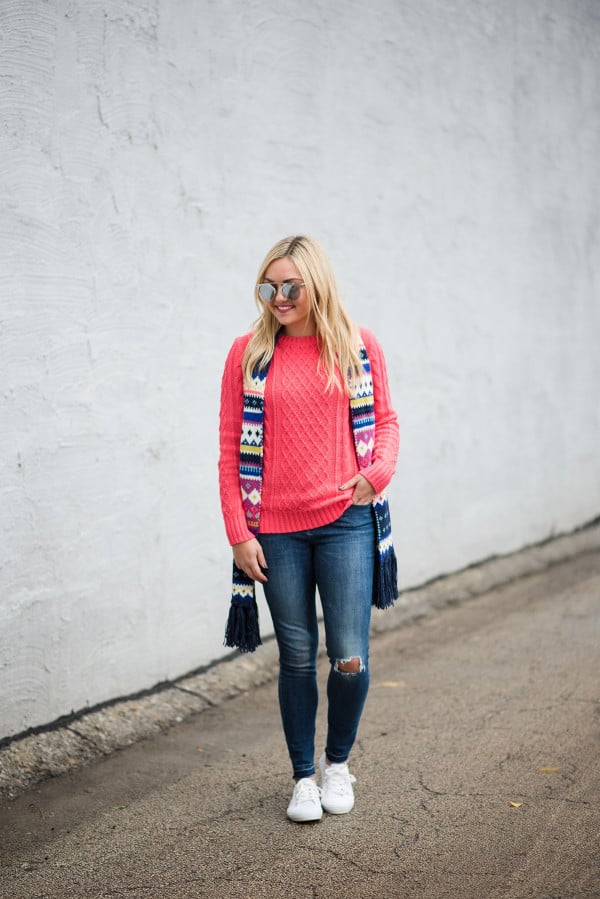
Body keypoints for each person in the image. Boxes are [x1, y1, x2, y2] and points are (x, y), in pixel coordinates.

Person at [218, 235, 399, 823]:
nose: (279, 297)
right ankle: (302, 778)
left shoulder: (356, 345)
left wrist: (377, 472)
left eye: (291, 286)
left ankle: (336, 763)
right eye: (268, 287)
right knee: (296, 656)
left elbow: (387, 422)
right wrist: (238, 532)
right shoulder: (248, 354)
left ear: (316, 284)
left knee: (348, 656)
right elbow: (229, 450)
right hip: (274, 531)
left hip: (346, 522)